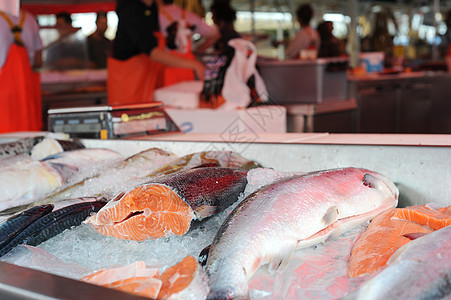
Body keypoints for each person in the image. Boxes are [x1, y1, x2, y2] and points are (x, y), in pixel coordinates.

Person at [108, 0, 205, 105]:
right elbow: (153, 52)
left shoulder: (152, 7)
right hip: (128, 88)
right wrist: (194, 65)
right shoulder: (131, 10)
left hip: (148, 85)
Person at [0, 9, 43, 133]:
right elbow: (38, 61)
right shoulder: (30, 19)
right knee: (27, 137)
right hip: (26, 91)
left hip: (3, 98)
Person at [158, 0, 218, 85]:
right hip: (188, 67)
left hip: (165, 65)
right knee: (188, 94)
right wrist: (198, 50)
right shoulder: (189, 15)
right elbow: (215, 35)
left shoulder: (156, 15)